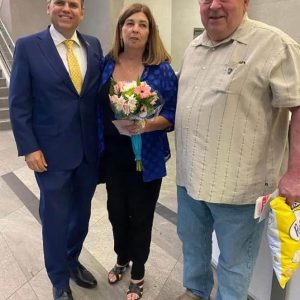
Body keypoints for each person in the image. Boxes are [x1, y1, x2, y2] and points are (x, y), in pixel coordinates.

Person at [175, 0, 300, 299]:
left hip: (241, 191)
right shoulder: (194, 48)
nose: (214, 5)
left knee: (234, 265)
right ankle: (195, 293)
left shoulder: (275, 44)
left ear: (245, 3)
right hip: (188, 181)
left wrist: (296, 172)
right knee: (193, 250)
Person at [9, 1, 103, 299]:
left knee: (82, 213)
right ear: (48, 8)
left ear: (82, 12)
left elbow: (94, 96)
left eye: (73, 4)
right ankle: (59, 279)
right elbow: (19, 102)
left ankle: (72, 259)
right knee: (55, 216)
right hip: (50, 154)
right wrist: (30, 147)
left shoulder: (94, 45)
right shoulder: (27, 46)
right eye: (60, 2)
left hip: (88, 151)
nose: (67, 9)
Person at [99, 3, 177, 300]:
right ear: (121, 29)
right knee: (116, 212)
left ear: (150, 32)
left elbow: (172, 113)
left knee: (141, 216)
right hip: (114, 155)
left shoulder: (162, 70)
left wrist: (145, 125)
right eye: (130, 23)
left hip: (148, 157)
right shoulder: (107, 64)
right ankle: (122, 257)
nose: (135, 29)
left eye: (142, 24)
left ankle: (139, 271)